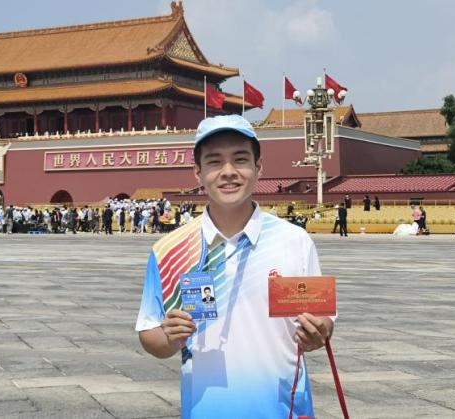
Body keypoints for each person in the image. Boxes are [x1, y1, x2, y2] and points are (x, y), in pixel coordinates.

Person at [136, 115, 335, 419]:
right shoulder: (169, 250)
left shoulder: (294, 240)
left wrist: (318, 332)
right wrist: (169, 336)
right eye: (214, 162)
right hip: (206, 410)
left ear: (258, 168)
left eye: (240, 159)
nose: (228, 172)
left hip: (285, 409)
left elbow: (322, 321)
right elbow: (150, 334)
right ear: (198, 172)